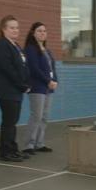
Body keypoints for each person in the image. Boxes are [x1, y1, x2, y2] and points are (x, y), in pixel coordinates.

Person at [0, 15, 29, 162]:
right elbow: (8, 69)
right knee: (9, 122)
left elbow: (23, 66)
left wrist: (27, 82)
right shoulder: (2, 44)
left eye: (17, 28)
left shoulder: (16, 45)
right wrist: (22, 85)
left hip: (16, 90)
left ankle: (13, 149)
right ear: (3, 29)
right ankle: (6, 152)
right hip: (6, 90)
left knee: (12, 122)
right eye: (12, 28)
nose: (15, 30)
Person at [22, 22, 58, 155]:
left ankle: (39, 143)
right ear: (33, 33)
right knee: (36, 116)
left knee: (44, 117)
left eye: (44, 31)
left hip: (49, 88)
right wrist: (48, 81)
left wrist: (55, 81)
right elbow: (34, 68)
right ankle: (29, 145)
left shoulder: (47, 51)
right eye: (39, 31)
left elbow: (52, 68)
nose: (42, 33)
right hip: (37, 87)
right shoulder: (30, 49)